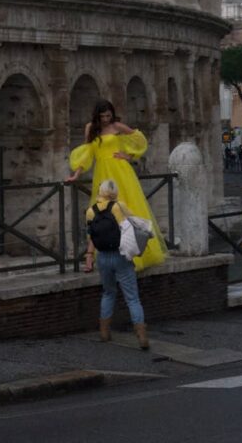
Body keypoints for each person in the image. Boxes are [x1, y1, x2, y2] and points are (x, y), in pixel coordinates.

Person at [65, 99, 167, 271]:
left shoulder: (117, 126)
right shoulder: (90, 128)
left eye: (108, 115)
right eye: (103, 116)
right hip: (102, 172)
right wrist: (76, 174)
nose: (106, 119)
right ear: (97, 115)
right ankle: (92, 257)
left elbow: (140, 139)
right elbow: (87, 152)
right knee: (99, 213)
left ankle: (135, 254)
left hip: (121, 170)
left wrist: (129, 157)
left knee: (127, 208)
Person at [86, 179, 149, 349]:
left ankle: (104, 332)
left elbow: (90, 236)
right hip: (121, 256)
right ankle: (141, 335)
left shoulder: (90, 211)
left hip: (103, 257)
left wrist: (89, 256)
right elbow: (134, 225)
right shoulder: (119, 207)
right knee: (132, 298)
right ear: (114, 192)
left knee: (108, 293)